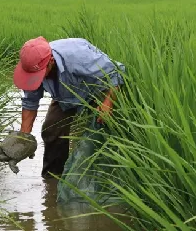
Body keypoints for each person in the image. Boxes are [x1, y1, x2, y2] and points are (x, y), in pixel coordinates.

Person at [13, 36, 125, 179]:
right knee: (51, 130)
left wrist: (108, 103)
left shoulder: (79, 56)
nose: (34, 78)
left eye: (38, 74)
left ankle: (101, 178)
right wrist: (24, 138)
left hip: (96, 90)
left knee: (98, 134)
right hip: (65, 96)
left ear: (50, 62)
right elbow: (30, 103)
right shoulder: (31, 67)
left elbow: (116, 72)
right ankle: (53, 179)